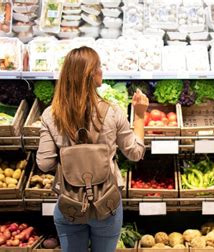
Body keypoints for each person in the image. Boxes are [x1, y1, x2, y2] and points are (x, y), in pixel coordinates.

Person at [36, 46, 148, 252]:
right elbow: (135, 153)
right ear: (90, 75)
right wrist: (140, 116)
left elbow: (44, 164)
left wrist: (71, 160)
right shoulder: (113, 111)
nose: (101, 71)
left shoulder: (51, 115)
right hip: (106, 204)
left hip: (70, 204)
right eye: (98, 67)